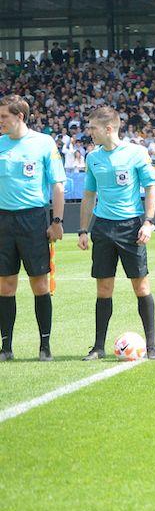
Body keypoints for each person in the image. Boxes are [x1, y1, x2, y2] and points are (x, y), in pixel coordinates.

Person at [77, 106, 155, 360]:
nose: (89, 132)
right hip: (102, 227)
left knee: (141, 287)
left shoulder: (136, 153)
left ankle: (152, 346)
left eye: (92, 127)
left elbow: (150, 187)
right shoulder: (93, 158)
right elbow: (89, 195)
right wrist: (83, 229)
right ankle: (98, 347)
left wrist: (148, 222)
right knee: (103, 289)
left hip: (130, 227)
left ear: (108, 128)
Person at [0, 95, 65, 361]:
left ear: (20, 117)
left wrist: (57, 222)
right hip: (3, 221)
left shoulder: (43, 143)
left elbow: (58, 185)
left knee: (39, 283)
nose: (0, 121)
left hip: (33, 220)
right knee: (5, 285)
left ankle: (45, 346)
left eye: (4, 116)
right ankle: (6, 347)